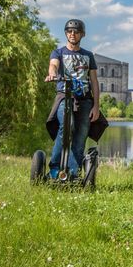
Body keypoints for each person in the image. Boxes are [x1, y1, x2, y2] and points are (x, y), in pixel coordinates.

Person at [45, 19, 100, 179]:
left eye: (76, 31)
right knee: (67, 126)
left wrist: (96, 106)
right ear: (66, 33)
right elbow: (53, 65)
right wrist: (53, 73)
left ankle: (73, 173)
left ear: (82, 34)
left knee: (81, 135)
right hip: (65, 97)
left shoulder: (88, 56)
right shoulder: (59, 53)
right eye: (69, 31)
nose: (72, 34)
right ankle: (55, 170)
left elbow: (94, 82)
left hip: (85, 100)